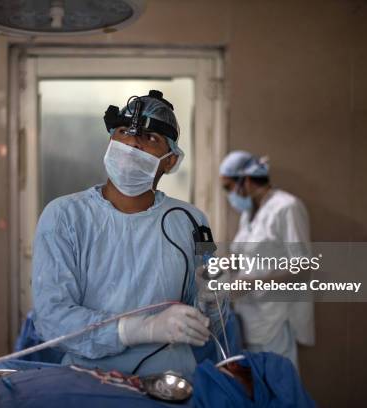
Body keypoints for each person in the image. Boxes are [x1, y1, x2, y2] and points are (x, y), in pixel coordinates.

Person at [31, 90, 227, 379]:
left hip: (170, 383)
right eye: (124, 131)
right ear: (111, 141)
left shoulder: (194, 222)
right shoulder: (63, 216)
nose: (133, 142)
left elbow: (211, 318)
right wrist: (139, 329)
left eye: (151, 139)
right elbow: (52, 317)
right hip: (88, 382)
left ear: (170, 161)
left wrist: (214, 299)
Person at [219, 150, 314, 369]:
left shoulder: (286, 208)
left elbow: (303, 268)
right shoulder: (249, 213)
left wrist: (253, 282)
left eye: (228, 187)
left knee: (279, 388)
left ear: (247, 180)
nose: (228, 195)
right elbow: (238, 256)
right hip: (250, 316)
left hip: (276, 318)